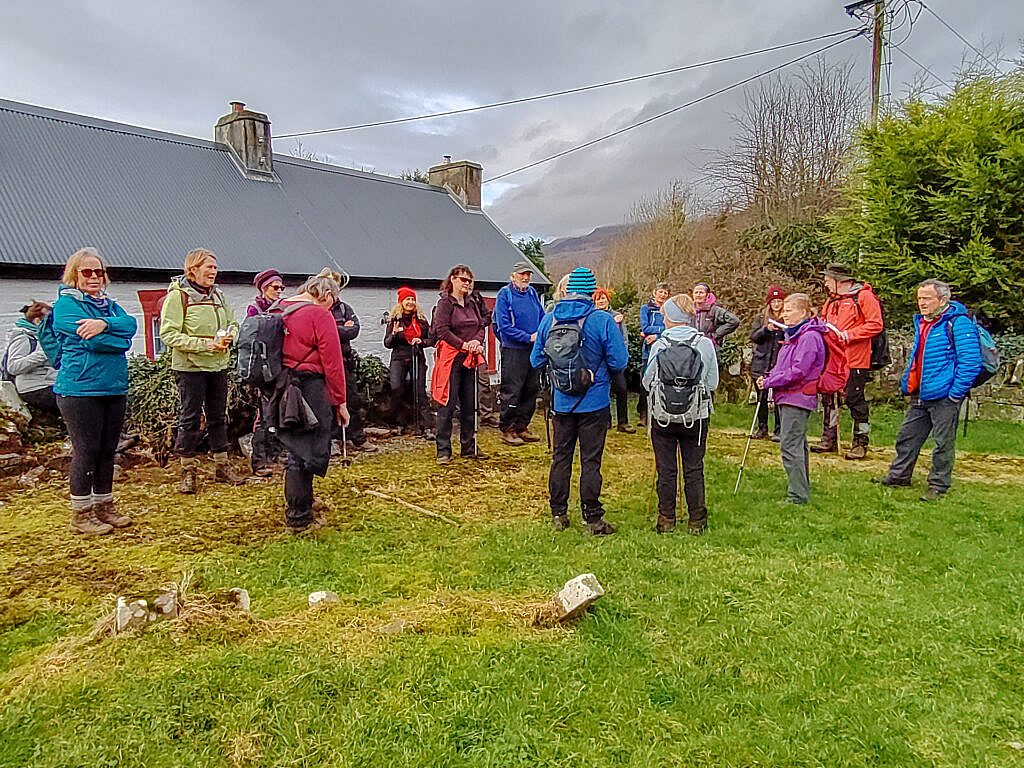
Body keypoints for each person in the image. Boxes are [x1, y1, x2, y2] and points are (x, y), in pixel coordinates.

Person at [531, 267, 628, 535]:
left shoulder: (550, 319)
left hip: (562, 403)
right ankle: (593, 519)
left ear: (569, 289)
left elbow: (535, 359)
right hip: (594, 403)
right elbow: (620, 361)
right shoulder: (602, 320)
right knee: (590, 461)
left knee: (560, 458)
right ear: (592, 291)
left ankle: (558, 514)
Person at [50, 247, 137, 535]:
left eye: (99, 272)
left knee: (107, 450)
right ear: (74, 274)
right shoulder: (65, 305)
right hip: (79, 390)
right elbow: (93, 343)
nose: (94, 277)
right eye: (87, 272)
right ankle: (81, 513)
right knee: (86, 450)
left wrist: (104, 324)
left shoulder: (108, 306)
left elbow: (131, 326)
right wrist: (115, 338)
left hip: (112, 387)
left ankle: (104, 505)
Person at [874, 279, 982, 502]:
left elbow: (970, 362)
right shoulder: (925, 322)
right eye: (919, 298)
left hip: (944, 395)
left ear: (943, 300)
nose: (921, 303)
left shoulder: (959, 324)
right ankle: (899, 475)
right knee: (907, 437)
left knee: (942, 443)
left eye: (926, 298)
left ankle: (938, 485)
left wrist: (955, 393)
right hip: (920, 393)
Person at [159, 247, 247, 494]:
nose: (213, 272)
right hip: (190, 367)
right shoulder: (178, 297)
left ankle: (222, 465)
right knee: (190, 418)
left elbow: (233, 322)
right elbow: (169, 334)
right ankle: (188, 470)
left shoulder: (218, 295)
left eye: (215, 268)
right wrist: (206, 344)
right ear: (193, 269)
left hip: (218, 364)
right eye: (208, 267)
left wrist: (230, 336)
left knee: (219, 416)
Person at [272, 273, 350, 531]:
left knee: (293, 446)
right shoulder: (319, 315)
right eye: (333, 301)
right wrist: (340, 402)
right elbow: (333, 362)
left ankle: (302, 503)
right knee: (304, 450)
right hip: (309, 386)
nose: (332, 306)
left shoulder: (278, 309)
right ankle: (299, 516)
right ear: (326, 295)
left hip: (280, 386)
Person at [642, 294, 718, 534]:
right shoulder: (704, 344)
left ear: (671, 317)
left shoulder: (660, 345)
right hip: (696, 415)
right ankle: (697, 520)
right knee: (694, 467)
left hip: (663, 415)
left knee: (666, 468)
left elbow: (646, 382)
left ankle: (666, 519)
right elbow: (713, 383)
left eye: (665, 315)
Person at [758, 294, 827, 505]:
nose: (784, 314)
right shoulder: (794, 335)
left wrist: (772, 381)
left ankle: (797, 495)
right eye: (784, 311)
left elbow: (799, 370)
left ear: (804, 312)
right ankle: (801, 486)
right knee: (798, 444)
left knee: (790, 445)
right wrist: (771, 377)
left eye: (789, 310)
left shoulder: (808, 337)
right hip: (789, 395)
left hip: (797, 396)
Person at [814, 263, 883, 460]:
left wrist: (849, 335)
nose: (826, 283)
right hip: (832, 359)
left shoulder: (864, 297)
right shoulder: (831, 301)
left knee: (854, 399)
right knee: (829, 398)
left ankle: (860, 442)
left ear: (840, 281)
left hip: (856, 359)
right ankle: (829, 438)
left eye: (828, 279)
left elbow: (876, 324)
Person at [431, 264, 489, 464]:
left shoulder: (473, 302)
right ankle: (443, 450)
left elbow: (482, 324)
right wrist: (463, 344)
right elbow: (442, 330)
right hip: (451, 357)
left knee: (469, 403)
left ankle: (469, 446)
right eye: (463, 280)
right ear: (453, 280)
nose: (467, 284)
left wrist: (477, 341)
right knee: (447, 403)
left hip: (469, 358)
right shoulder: (445, 303)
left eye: (470, 280)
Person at [317, 268, 377, 453]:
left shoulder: (344, 308)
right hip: (324, 363)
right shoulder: (318, 308)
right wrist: (339, 328)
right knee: (326, 402)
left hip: (344, 361)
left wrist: (334, 329)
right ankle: (332, 439)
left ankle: (357, 437)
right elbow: (322, 332)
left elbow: (354, 330)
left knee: (351, 399)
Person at [493, 261, 545, 445]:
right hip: (513, 350)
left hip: (532, 350)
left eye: (528, 275)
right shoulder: (504, 295)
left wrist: (542, 335)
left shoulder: (532, 293)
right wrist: (528, 337)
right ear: (513, 276)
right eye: (522, 274)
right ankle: (507, 428)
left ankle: (522, 426)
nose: (525, 278)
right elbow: (504, 326)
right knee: (512, 391)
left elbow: (542, 316)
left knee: (531, 389)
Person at [247, 269, 287, 477]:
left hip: (280, 367)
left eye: (281, 287)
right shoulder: (254, 310)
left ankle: (277, 453)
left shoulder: (283, 308)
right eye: (275, 287)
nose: (279, 291)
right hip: (262, 371)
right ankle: (259, 460)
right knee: (263, 416)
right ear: (264, 288)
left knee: (280, 411)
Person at [383, 286, 434, 438]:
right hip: (399, 358)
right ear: (401, 302)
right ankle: (400, 422)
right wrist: (393, 334)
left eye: (412, 299)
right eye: (407, 299)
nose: (410, 302)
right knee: (397, 388)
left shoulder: (421, 321)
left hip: (416, 356)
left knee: (419, 390)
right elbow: (387, 343)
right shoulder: (394, 321)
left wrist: (421, 341)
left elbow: (431, 339)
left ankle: (426, 426)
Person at [3, 301, 59, 419]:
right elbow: (13, 367)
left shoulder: (42, 336)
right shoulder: (24, 337)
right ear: (38, 321)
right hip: (35, 388)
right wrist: (45, 353)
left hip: (49, 384)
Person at [593, 287, 635, 433]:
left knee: (621, 389)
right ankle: (606, 421)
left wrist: (623, 355)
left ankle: (623, 422)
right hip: (600, 360)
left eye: (603, 298)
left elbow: (624, 338)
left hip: (616, 359)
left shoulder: (618, 316)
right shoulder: (594, 316)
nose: (601, 301)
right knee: (603, 390)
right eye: (598, 299)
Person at [749, 285, 788, 440]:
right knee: (761, 397)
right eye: (774, 301)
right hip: (761, 361)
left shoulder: (787, 318)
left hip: (779, 361)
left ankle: (779, 429)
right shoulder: (761, 318)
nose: (777, 305)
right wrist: (766, 329)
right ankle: (762, 427)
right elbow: (754, 337)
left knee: (779, 397)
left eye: (779, 301)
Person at [638, 282, 670, 424]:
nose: (662, 295)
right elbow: (645, 327)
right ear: (654, 293)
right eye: (660, 292)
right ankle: (643, 412)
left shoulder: (669, 310)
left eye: (665, 293)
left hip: (665, 349)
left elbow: (670, 327)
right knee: (646, 380)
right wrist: (660, 330)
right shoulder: (646, 309)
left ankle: (658, 411)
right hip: (648, 350)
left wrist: (657, 335)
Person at [691, 283, 740, 347]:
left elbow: (734, 321)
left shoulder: (715, 310)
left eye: (701, 292)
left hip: (711, 346)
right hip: (692, 346)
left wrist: (715, 335)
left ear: (707, 295)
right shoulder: (689, 310)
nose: (698, 295)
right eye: (696, 292)